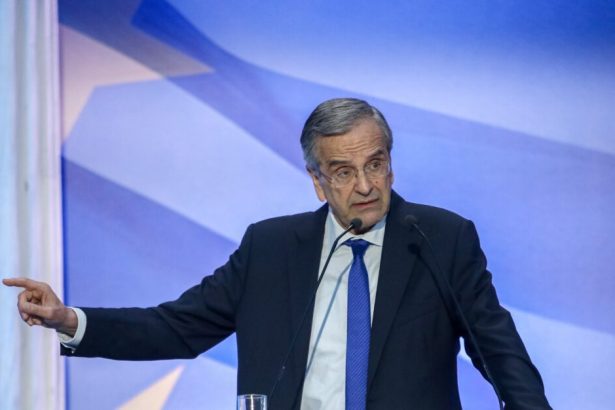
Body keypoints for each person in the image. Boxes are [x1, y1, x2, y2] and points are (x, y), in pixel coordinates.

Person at [4, 98, 551, 409]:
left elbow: (497, 350)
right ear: (317, 181)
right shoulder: (269, 248)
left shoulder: (440, 238)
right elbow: (177, 327)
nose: (365, 185)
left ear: (391, 163)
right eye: (343, 172)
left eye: (375, 164)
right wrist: (70, 319)